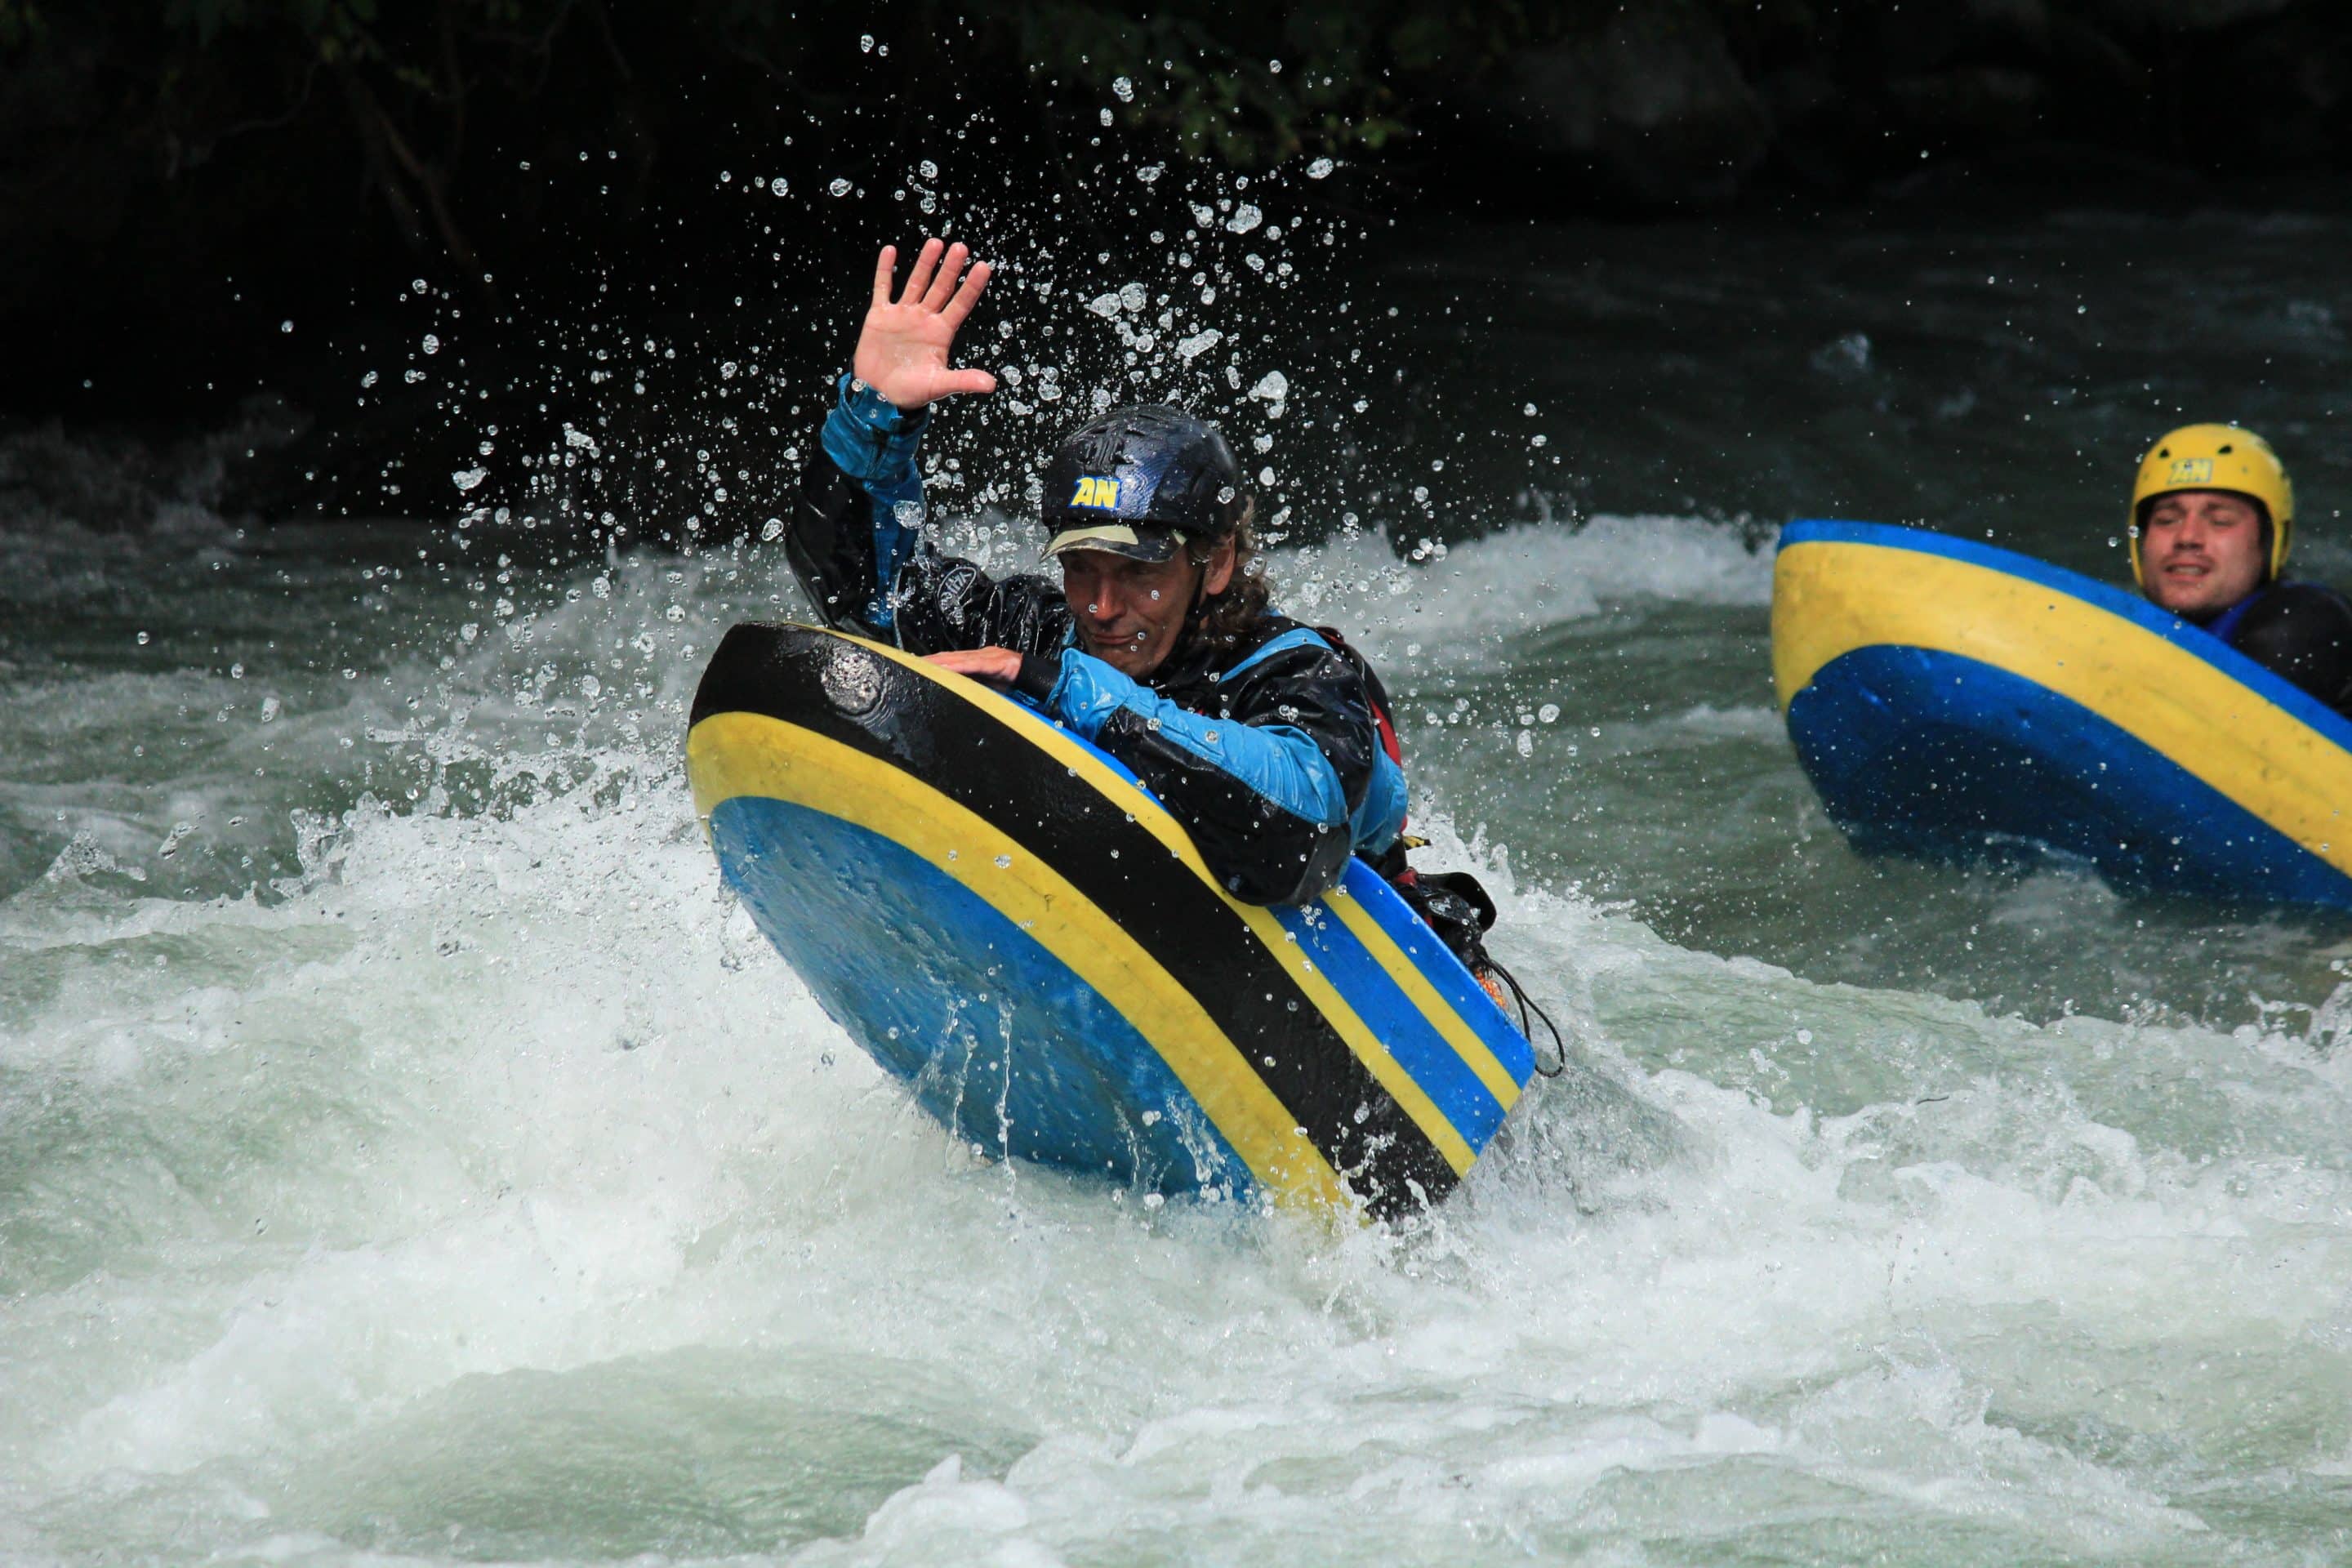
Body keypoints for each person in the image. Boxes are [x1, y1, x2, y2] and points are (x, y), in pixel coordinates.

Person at [783, 238, 1507, 991]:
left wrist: (1061, 688)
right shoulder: (1035, 629)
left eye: (1139, 575)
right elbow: (862, 594)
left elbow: (1295, 834)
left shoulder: (1300, 674)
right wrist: (873, 420)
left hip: (1350, 956)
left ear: (1218, 563)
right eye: (1080, 570)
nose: (1102, 607)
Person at [2129, 423, 2352, 718]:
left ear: (2270, 541)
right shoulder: (2134, 630)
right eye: (2168, 519)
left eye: (2220, 520)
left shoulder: (2298, 624)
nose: (2187, 537)